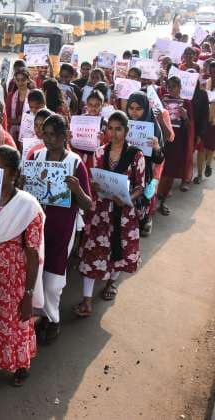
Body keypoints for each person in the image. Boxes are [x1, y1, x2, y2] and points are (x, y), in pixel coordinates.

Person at [0, 145, 44, 389]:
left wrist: (28, 294)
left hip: (14, 280)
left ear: (14, 174)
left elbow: (33, 254)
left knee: (15, 324)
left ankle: (21, 365)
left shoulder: (27, 207)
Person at [29, 115, 92, 339]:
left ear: (64, 136)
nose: (48, 139)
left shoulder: (75, 163)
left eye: (54, 135)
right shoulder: (36, 156)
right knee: (35, 273)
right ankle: (39, 315)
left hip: (61, 228)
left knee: (53, 278)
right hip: (37, 226)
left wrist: (77, 190)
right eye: (45, 134)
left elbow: (88, 204)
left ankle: (53, 320)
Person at [77, 111, 145, 316]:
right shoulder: (99, 152)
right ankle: (86, 300)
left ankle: (110, 283)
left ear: (126, 131)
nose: (114, 134)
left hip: (123, 213)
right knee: (93, 252)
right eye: (110, 129)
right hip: (100, 212)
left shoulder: (136, 155)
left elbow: (140, 186)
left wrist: (127, 198)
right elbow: (93, 180)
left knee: (119, 252)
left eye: (118, 129)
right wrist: (95, 186)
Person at [125, 92, 165, 237]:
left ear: (146, 108)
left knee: (143, 197)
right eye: (131, 108)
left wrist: (156, 147)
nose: (134, 112)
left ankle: (145, 220)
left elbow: (159, 159)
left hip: (144, 171)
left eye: (138, 109)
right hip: (125, 169)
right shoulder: (123, 123)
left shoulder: (154, 128)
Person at [158, 76, 195, 215]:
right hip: (164, 141)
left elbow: (190, 126)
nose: (171, 89)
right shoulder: (163, 101)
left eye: (174, 86)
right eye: (169, 86)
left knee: (171, 174)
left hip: (178, 142)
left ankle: (163, 202)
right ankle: (155, 201)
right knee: (160, 173)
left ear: (180, 87)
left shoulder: (186, 103)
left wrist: (185, 116)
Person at [199, 61, 215, 181]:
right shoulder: (205, 83)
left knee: (211, 146)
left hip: (214, 121)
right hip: (204, 119)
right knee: (201, 147)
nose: (213, 74)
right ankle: (199, 173)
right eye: (212, 71)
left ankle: (208, 164)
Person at [6, 69, 32, 140]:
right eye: (18, 80)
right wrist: (17, 121)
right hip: (13, 134)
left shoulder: (33, 96)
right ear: (15, 81)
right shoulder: (10, 96)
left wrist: (25, 120)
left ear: (28, 80)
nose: (20, 83)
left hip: (29, 134)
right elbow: (6, 118)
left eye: (23, 80)